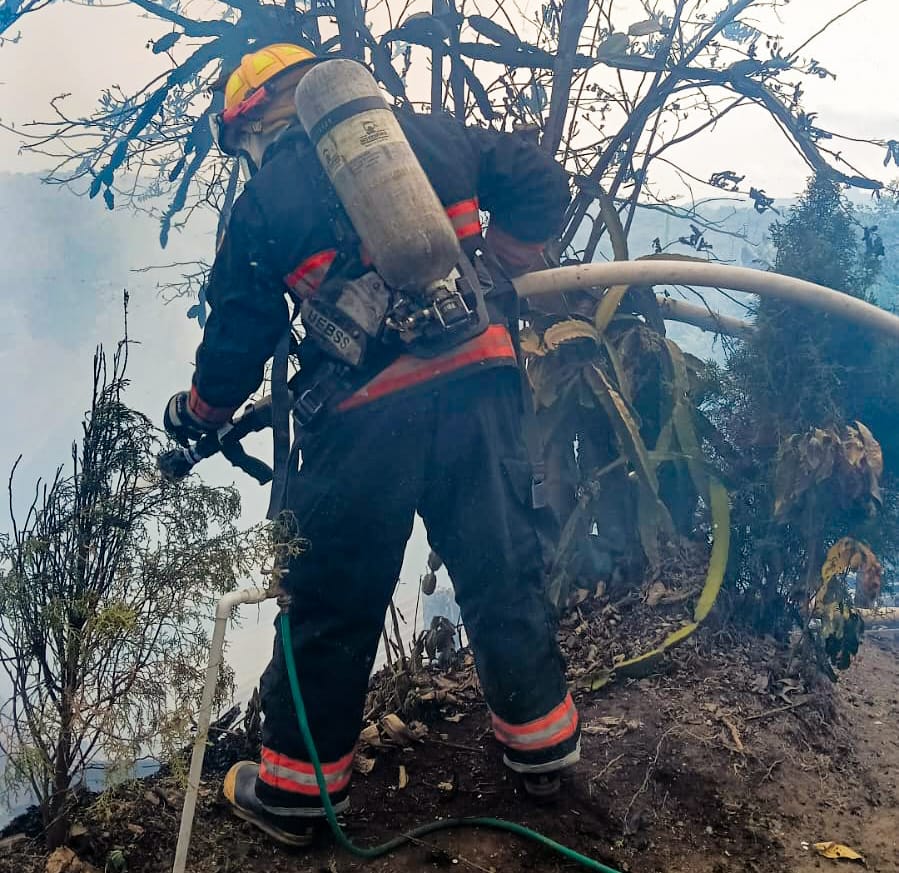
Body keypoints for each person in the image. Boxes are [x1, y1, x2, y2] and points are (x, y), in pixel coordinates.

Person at [163, 42, 580, 847]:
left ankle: (296, 797)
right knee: (501, 571)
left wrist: (199, 412)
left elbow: (236, 341)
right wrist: (502, 261)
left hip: (365, 424)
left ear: (257, 120)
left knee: (331, 604)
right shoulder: (430, 133)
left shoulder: (264, 202)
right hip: (481, 389)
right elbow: (537, 178)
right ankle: (541, 753)